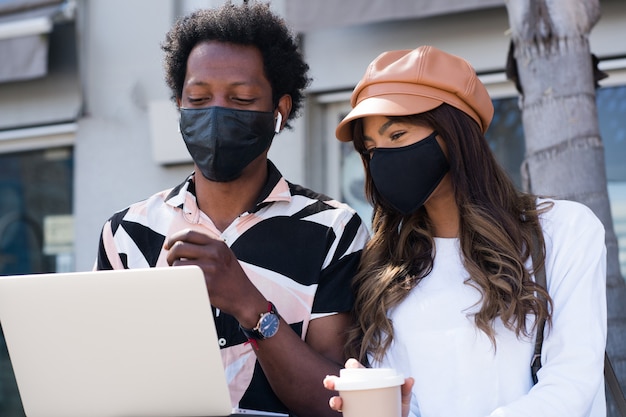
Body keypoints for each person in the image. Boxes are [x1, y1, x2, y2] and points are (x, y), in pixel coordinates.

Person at [95, 2, 369, 416]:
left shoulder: (333, 230)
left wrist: (248, 304)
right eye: (198, 98)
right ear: (179, 107)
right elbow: (105, 378)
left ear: (280, 111)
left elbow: (337, 403)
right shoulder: (127, 233)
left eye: (241, 99)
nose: (216, 114)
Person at [323, 45, 607, 416]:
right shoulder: (385, 261)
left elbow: (572, 381)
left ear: (453, 133)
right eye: (372, 148)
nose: (382, 160)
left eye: (397, 136)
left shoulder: (563, 230)